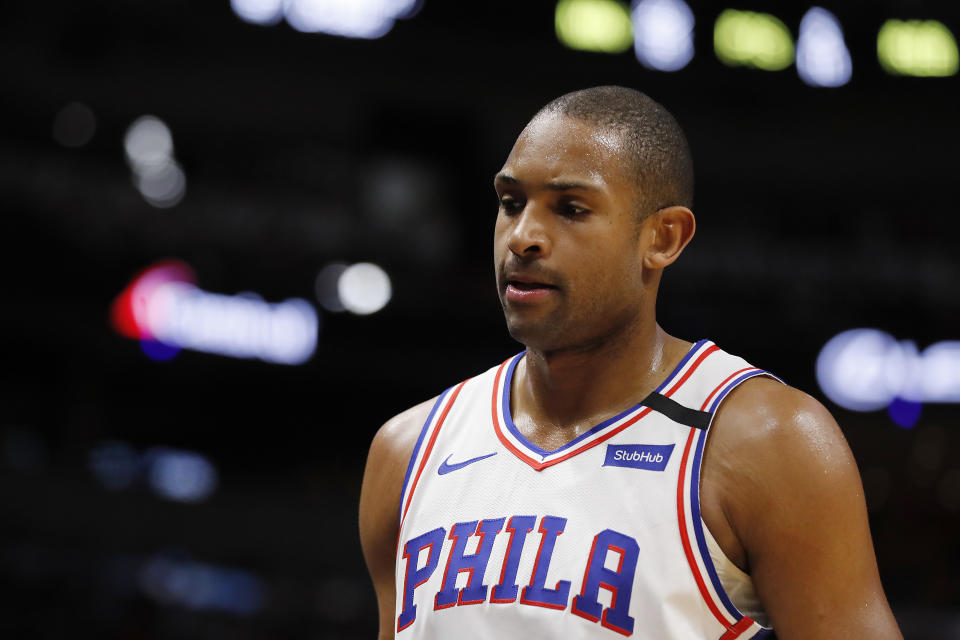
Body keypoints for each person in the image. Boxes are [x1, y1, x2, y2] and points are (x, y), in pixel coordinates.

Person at [358, 86, 902, 639]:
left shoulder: (768, 441)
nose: (523, 237)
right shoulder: (407, 452)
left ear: (663, 238)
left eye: (571, 209)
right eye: (510, 203)